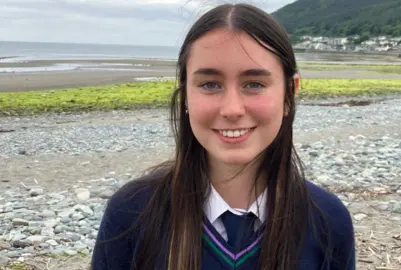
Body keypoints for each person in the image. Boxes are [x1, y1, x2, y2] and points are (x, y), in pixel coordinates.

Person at [90, 3, 355, 270]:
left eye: (254, 84)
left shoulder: (328, 219)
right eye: (210, 84)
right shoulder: (131, 212)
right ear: (185, 94)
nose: (231, 109)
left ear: (289, 92)